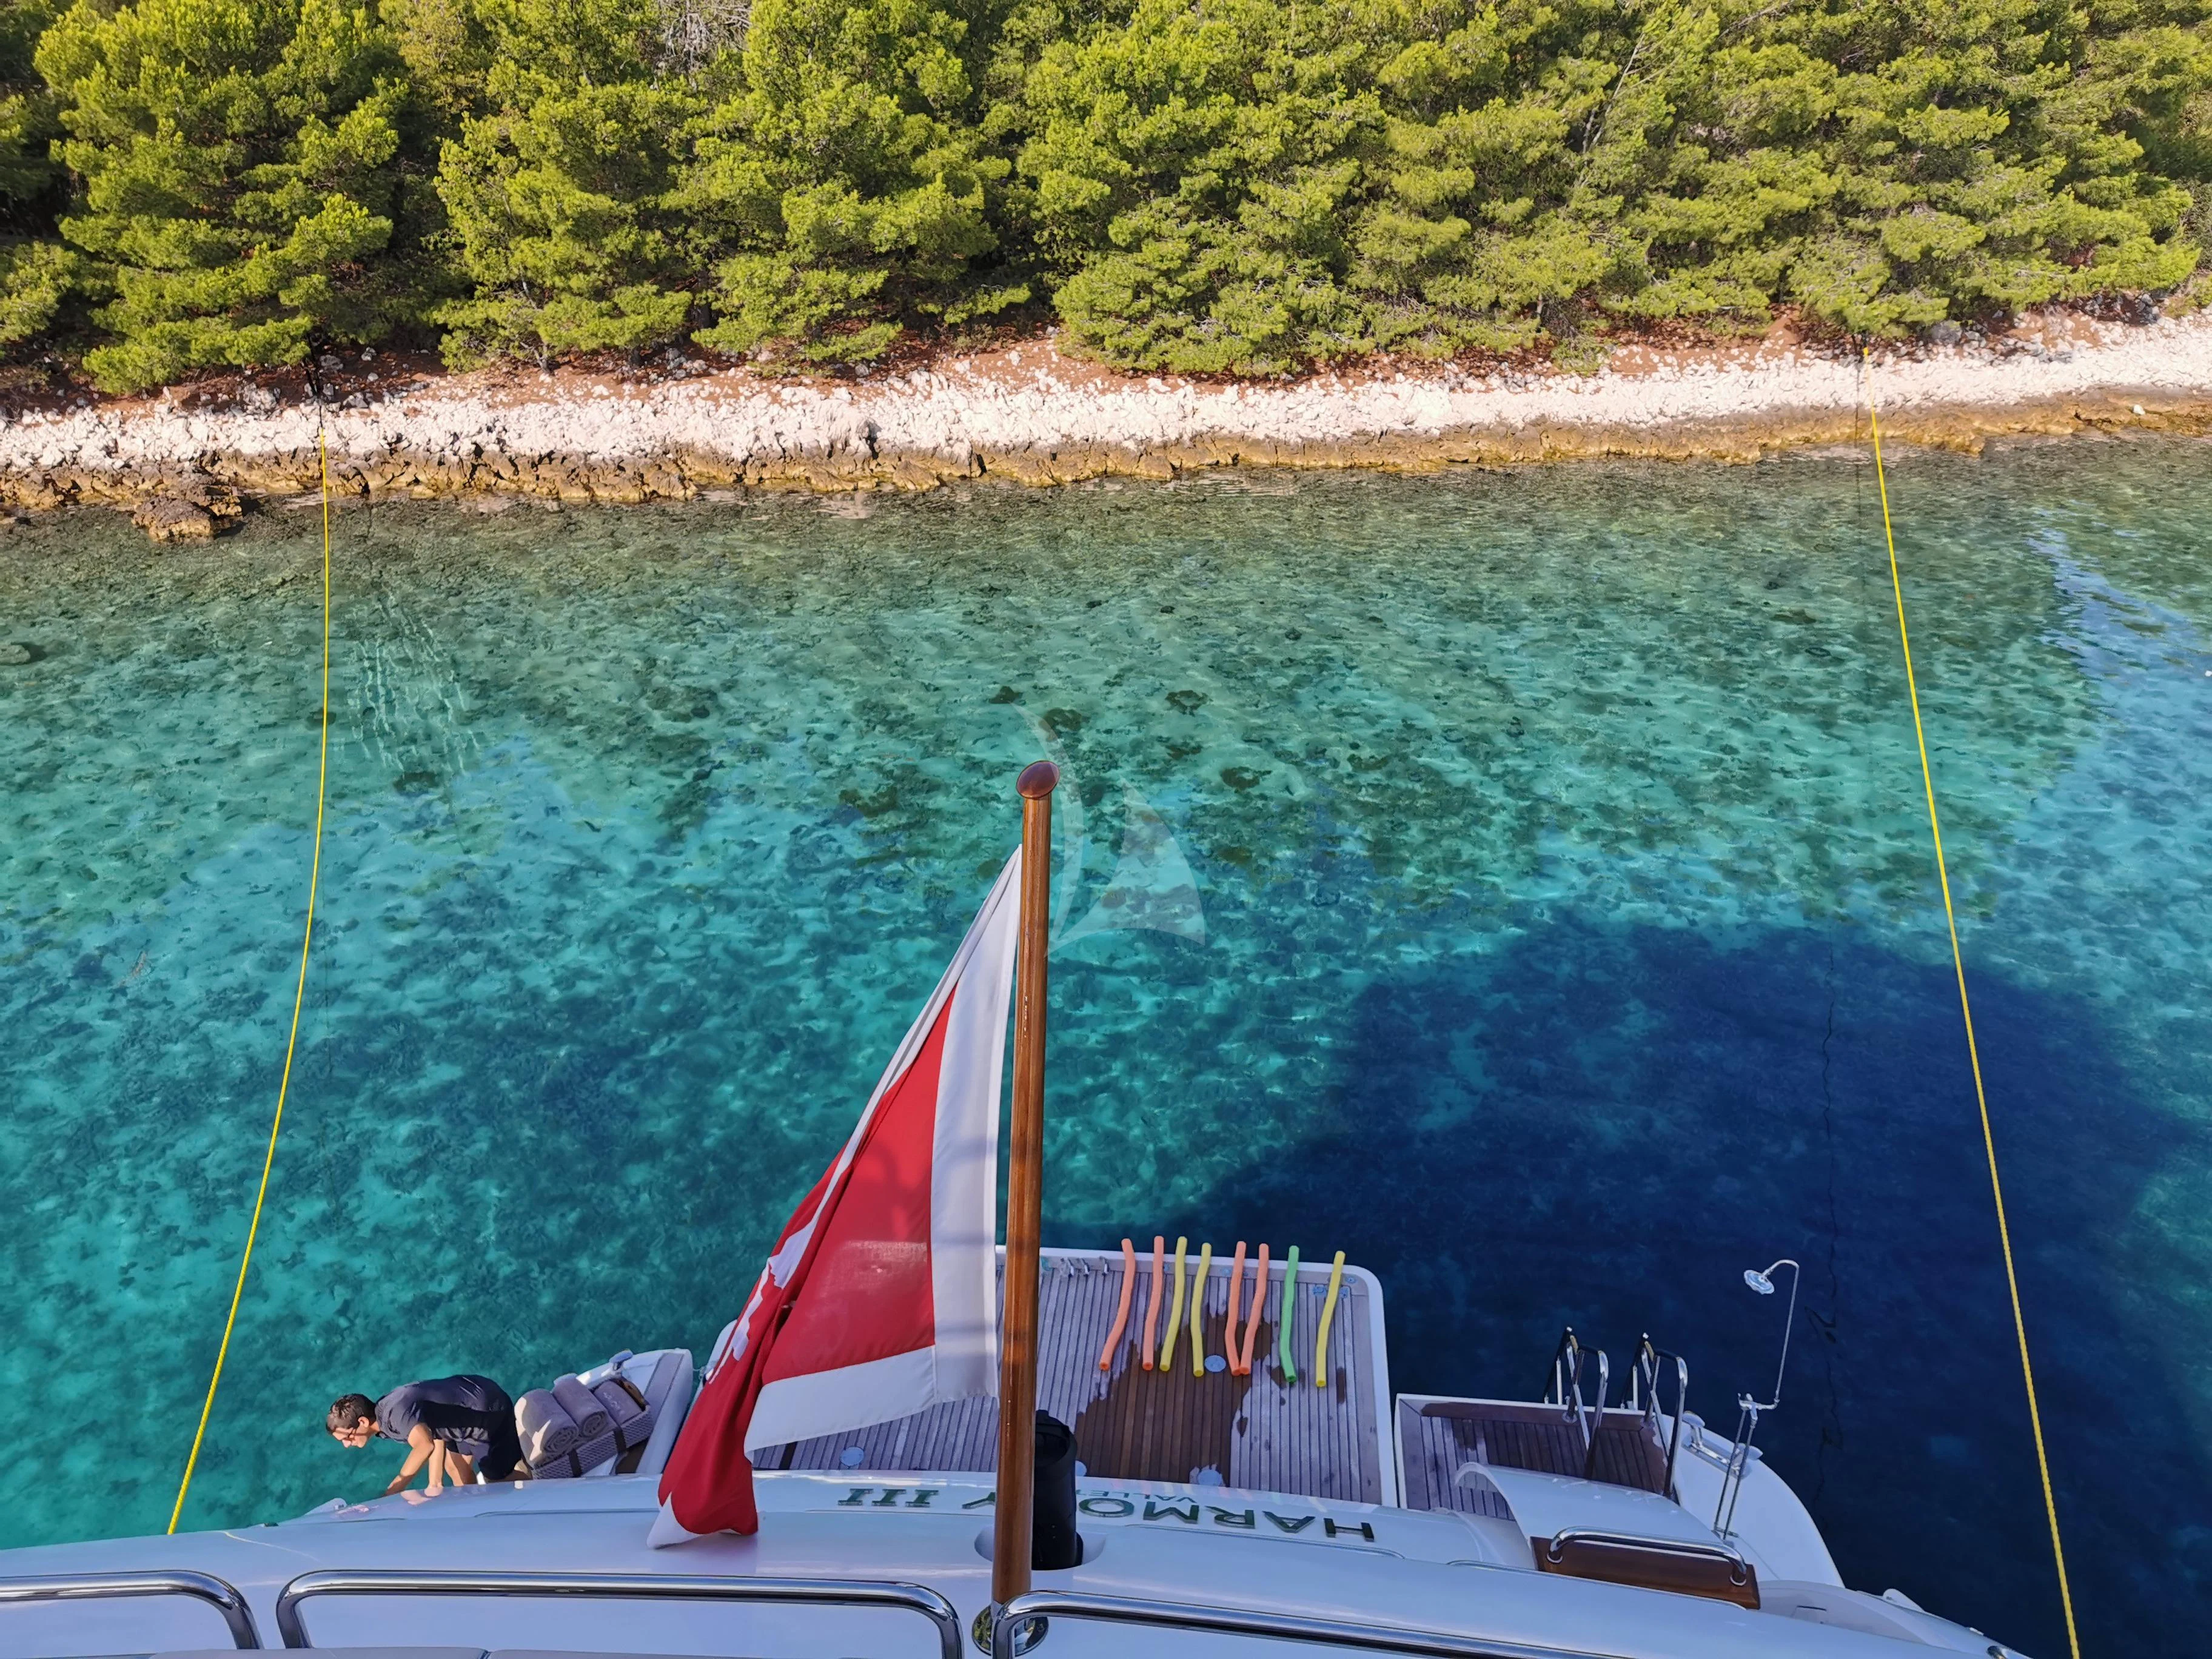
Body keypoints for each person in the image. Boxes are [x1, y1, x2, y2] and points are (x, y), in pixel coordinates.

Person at [327, 1375, 528, 1496]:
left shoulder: (395, 1417)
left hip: (486, 1414)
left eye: (347, 1438)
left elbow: (424, 1446)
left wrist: (392, 1492)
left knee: (498, 1483)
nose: (346, 1445)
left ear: (362, 1422)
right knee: (454, 1467)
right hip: (463, 1413)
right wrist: (435, 1483)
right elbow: (434, 1435)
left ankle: (532, 1478)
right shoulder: (383, 1413)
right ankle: (478, 1508)